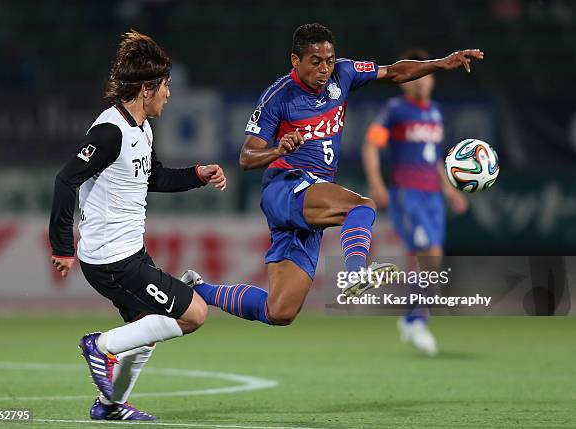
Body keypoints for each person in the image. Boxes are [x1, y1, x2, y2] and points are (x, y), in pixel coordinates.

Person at [182, 23, 482, 328]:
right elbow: (246, 157)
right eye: (316, 61)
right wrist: (278, 151)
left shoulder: (345, 73)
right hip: (285, 186)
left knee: (280, 311)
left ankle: (195, 290)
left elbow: (394, 72)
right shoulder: (278, 96)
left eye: (329, 60)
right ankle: (355, 274)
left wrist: (441, 63)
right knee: (361, 207)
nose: (325, 69)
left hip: (313, 193)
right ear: (295, 61)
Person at [49, 30, 226, 421]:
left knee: (150, 328)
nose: (169, 94)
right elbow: (66, 179)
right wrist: (61, 246)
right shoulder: (110, 131)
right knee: (193, 314)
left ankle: (110, 406)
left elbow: (153, 178)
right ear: (147, 89)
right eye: (166, 87)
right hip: (113, 259)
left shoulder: (141, 129)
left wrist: (198, 174)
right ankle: (100, 345)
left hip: (128, 253)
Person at [362, 48, 469, 356]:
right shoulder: (396, 110)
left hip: (433, 196)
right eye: (417, 77)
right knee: (428, 253)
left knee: (432, 260)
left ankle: (413, 316)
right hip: (407, 193)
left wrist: (450, 191)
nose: (423, 83)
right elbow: (371, 145)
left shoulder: (434, 113)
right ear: (405, 80)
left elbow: (434, 159)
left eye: (429, 76)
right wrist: (377, 183)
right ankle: (415, 319)